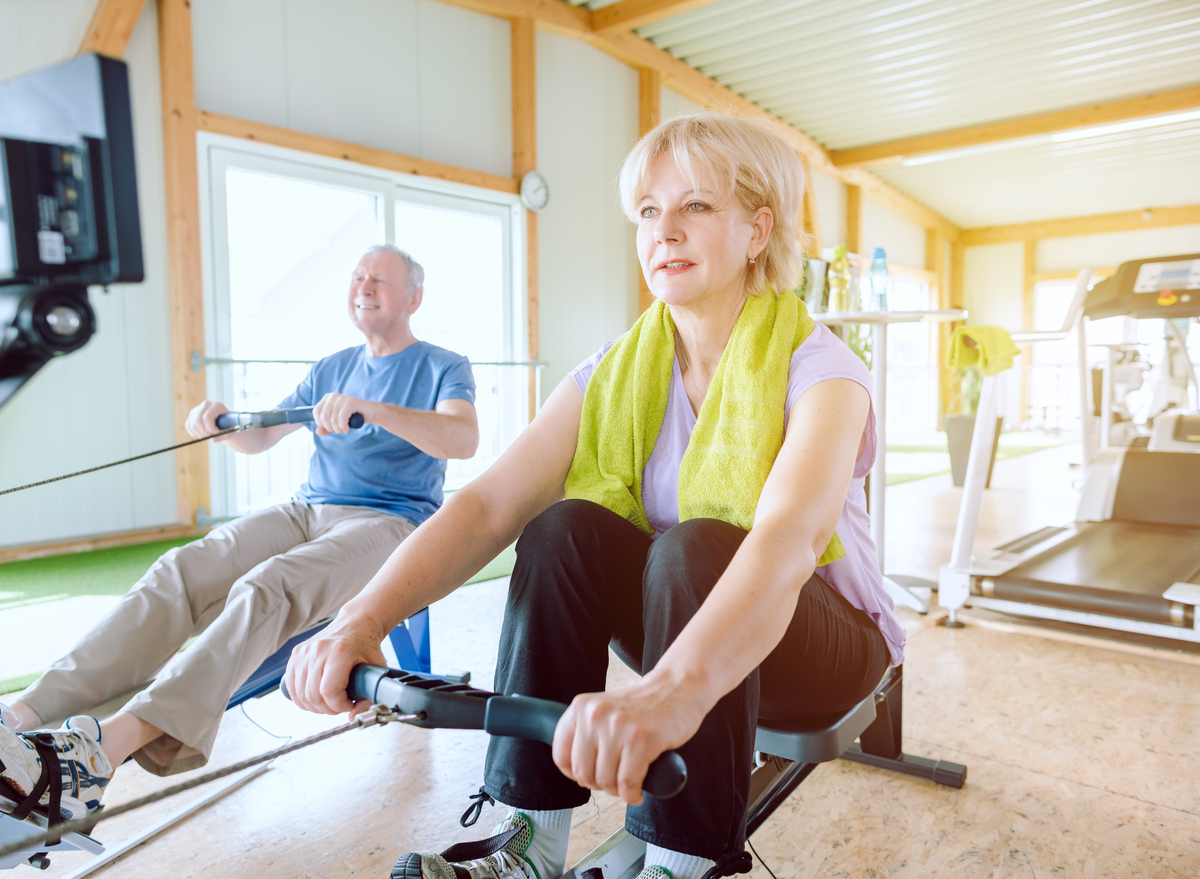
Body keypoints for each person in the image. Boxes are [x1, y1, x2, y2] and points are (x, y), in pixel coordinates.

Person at [286, 113, 905, 879]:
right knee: (562, 528)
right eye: (649, 211)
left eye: (697, 207)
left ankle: (683, 861)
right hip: (683, 626)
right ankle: (528, 843)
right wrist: (361, 617)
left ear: (757, 231)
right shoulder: (614, 371)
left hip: (821, 649)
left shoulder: (824, 370)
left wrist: (671, 693)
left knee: (701, 543)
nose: (664, 231)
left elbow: (787, 538)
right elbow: (489, 505)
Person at [0, 244, 478, 821]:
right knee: (180, 569)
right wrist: (220, 424)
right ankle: (21, 717)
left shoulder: (443, 365)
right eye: (356, 276)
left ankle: (99, 754)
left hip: (391, 521)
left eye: (379, 278)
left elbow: (462, 439)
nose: (363, 285)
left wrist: (374, 410)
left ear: (413, 298)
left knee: (268, 585)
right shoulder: (332, 366)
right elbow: (262, 436)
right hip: (307, 510)